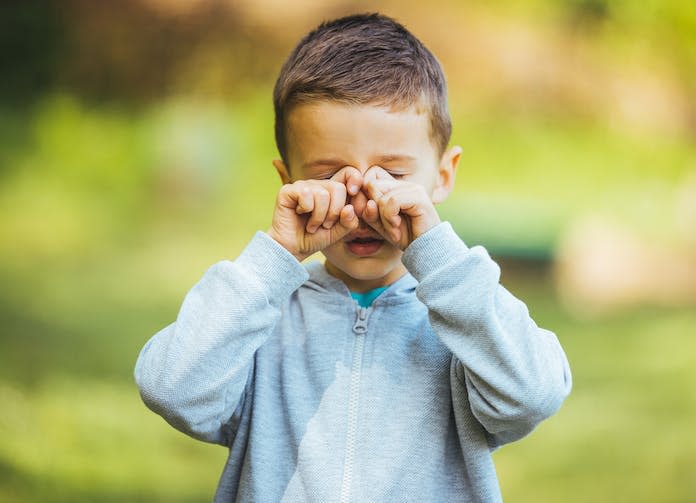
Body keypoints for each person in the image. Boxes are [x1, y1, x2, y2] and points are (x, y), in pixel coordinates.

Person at [135, 12, 572, 502]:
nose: (366, 205)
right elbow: (173, 389)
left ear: (443, 176)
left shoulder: (464, 321)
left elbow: (533, 394)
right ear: (288, 180)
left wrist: (438, 255)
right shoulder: (259, 321)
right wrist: (274, 259)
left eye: (394, 175)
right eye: (332, 175)